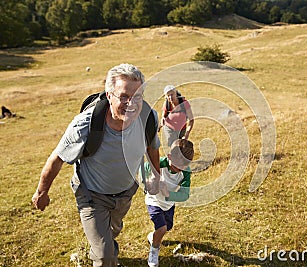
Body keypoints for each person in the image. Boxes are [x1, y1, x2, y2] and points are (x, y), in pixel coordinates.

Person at [31, 63, 161, 267]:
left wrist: (156, 175)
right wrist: (41, 192)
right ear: (109, 96)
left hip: (125, 193)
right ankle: (105, 257)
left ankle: (105, 250)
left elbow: (152, 148)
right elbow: (56, 159)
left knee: (111, 235)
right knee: (104, 256)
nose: (131, 104)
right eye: (124, 96)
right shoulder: (85, 124)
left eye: (137, 96)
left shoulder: (148, 118)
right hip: (92, 195)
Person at [143, 139, 194, 267]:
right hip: (154, 201)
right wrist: (148, 183)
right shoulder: (160, 163)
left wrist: (168, 194)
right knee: (162, 228)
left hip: (168, 204)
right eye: (177, 165)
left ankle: (152, 237)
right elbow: (145, 167)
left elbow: (184, 195)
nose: (179, 169)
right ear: (169, 156)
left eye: (183, 166)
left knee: (167, 228)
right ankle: (154, 251)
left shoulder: (185, 172)